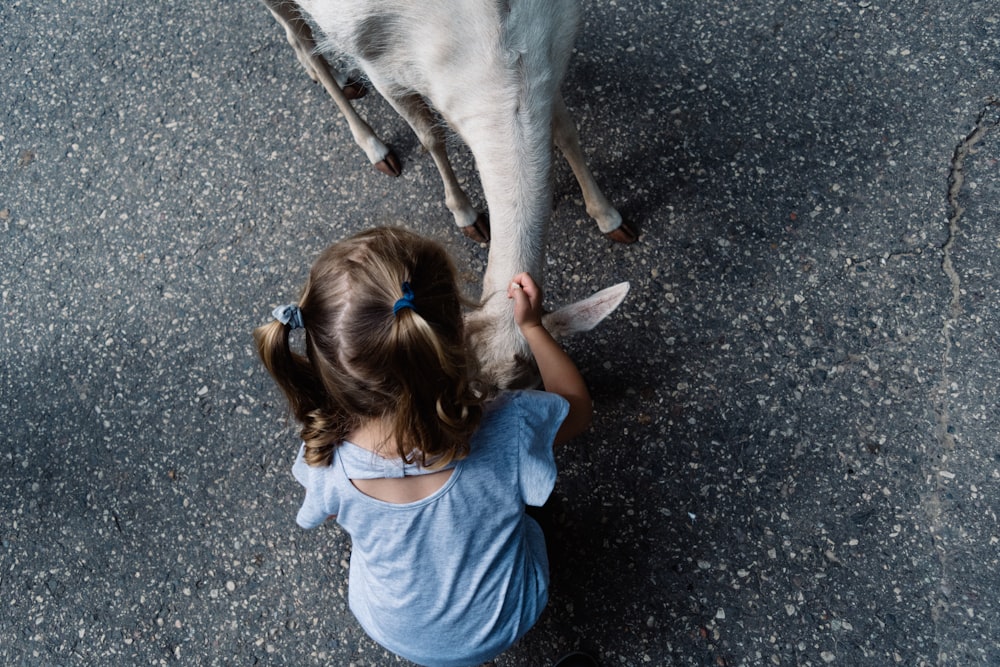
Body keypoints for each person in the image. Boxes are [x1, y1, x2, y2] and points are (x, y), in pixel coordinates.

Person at [253, 227, 597, 667]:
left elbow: (335, 513)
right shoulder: (509, 423)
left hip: (393, 627)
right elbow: (577, 407)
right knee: (532, 510)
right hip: (503, 620)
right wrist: (530, 326)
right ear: (455, 331)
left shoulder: (323, 455)